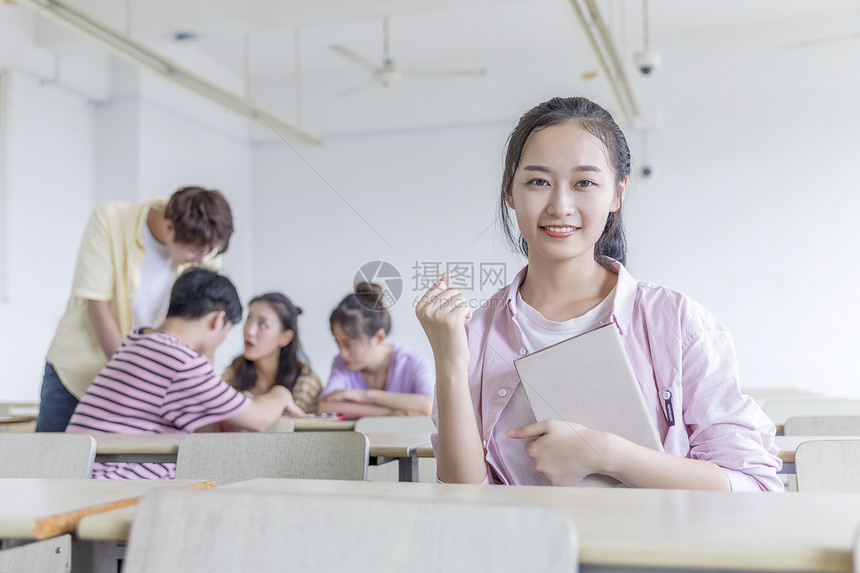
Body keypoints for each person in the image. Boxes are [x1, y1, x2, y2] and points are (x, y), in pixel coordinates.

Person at [415, 96, 783, 491]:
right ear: (510, 192)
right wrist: (450, 362)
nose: (560, 205)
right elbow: (464, 495)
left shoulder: (676, 322)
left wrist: (608, 455)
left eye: (584, 183)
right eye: (538, 181)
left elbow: (754, 485)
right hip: (522, 549)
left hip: (653, 549)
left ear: (617, 193)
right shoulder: (477, 331)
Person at [66, 268, 298, 479]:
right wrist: (282, 394)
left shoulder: (139, 340)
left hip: (77, 475)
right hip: (112, 484)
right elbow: (259, 419)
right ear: (217, 320)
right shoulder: (181, 361)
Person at [37, 186, 234, 432]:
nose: (203, 260)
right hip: (79, 372)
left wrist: (198, 392)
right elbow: (97, 307)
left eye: (210, 251)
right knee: (54, 464)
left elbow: (203, 327)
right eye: (196, 250)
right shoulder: (110, 219)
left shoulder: (202, 246)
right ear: (169, 228)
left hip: (149, 382)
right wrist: (137, 378)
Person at [317, 283, 434, 417]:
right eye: (337, 342)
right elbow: (325, 406)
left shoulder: (413, 362)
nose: (342, 353)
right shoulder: (342, 364)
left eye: (348, 344)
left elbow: (428, 406)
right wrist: (391, 413)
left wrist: (365, 396)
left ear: (378, 338)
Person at [222, 292, 323, 417]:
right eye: (249, 318)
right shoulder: (232, 375)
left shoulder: (306, 383)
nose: (250, 330)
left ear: (285, 337)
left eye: (263, 324)